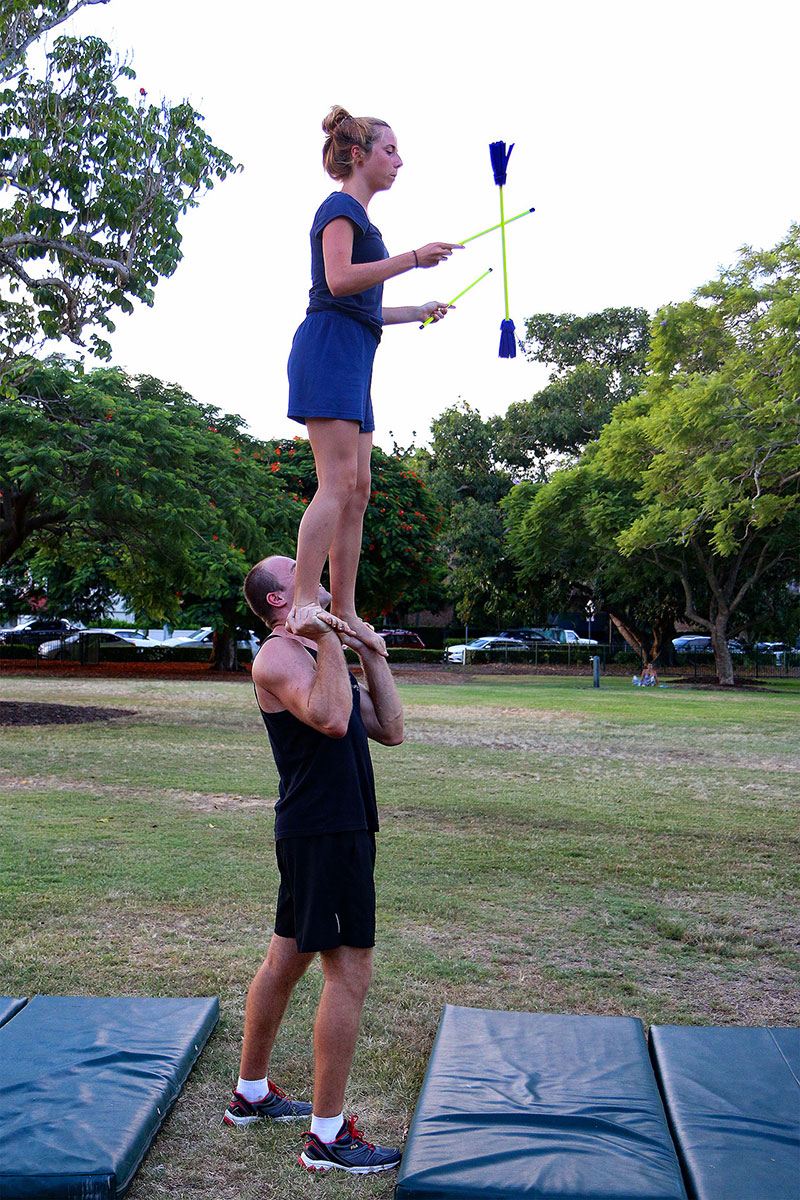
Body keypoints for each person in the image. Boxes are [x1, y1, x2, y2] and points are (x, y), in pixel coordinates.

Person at [223, 554, 404, 1175]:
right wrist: (328, 638)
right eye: (304, 576)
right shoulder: (278, 656)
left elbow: (390, 728)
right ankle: (327, 1136)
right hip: (324, 830)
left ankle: (250, 1095)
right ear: (279, 601)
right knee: (348, 972)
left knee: (285, 959)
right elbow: (329, 720)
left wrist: (371, 654)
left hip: (334, 827)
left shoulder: (316, 655)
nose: (322, 585)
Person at [285, 105, 461, 655]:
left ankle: (345, 609)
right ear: (358, 156)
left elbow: (366, 307)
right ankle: (301, 602)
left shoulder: (367, 223)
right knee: (337, 484)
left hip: (355, 352)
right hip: (330, 350)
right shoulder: (339, 207)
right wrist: (412, 257)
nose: (399, 161)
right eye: (390, 151)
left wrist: (418, 310)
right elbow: (338, 282)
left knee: (358, 491)